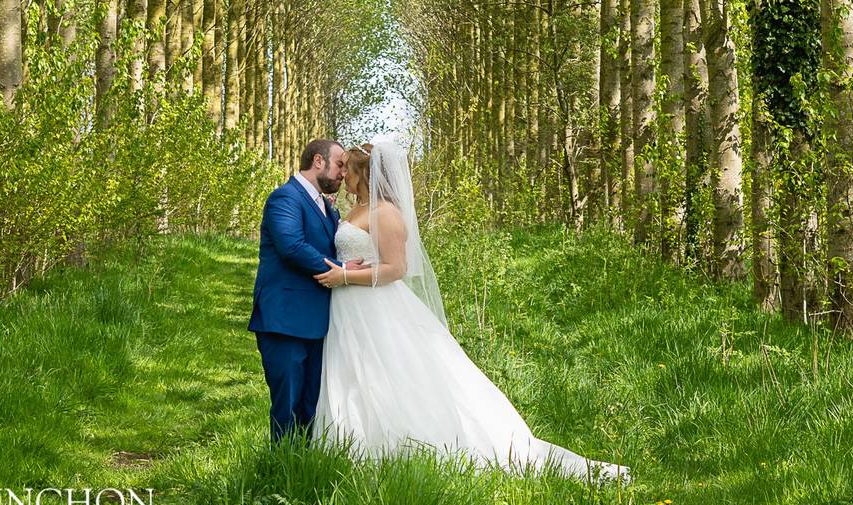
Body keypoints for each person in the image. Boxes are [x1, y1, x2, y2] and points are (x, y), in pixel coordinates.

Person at [310, 141, 631, 485]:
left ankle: (399, 449)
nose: (343, 177)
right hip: (349, 312)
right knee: (354, 377)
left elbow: (395, 268)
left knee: (389, 375)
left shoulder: (385, 212)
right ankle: (349, 450)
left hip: (376, 308)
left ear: (365, 175)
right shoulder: (354, 209)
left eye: (350, 171)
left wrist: (344, 276)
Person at [248, 139, 365, 442]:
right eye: (339, 164)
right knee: (286, 407)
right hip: (284, 319)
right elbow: (291, 246)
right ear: (317, 161)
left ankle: (305, 471)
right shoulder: (284, 198)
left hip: (319, 322)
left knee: (312, 406)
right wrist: (338, 269)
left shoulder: (326, 207)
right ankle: (279, 474)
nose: (343, 172)